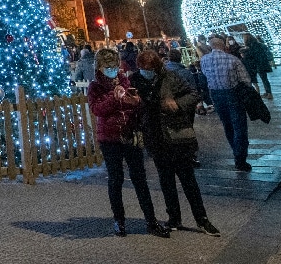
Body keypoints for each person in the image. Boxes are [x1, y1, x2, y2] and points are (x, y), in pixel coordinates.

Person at [131, 50, 220, 236]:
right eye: (143, 68)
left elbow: (193, 93)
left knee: (188, 179)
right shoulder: (135, 81)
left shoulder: (170, 77)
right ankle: (174, 217)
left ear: (156, 67)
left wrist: (177, 103)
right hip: (155, 137)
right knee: (166, 180)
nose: (146, 71)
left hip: (176, 134)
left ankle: (201, 218)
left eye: (150, 68)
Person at [89, 47, 169, 238]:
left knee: (140, 178)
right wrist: (113, 98)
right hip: (109, 137)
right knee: (115, 179)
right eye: (108, 67)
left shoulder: (125, 80)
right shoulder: (95, 86)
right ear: (99, 67)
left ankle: (151, 220)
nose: (112, 70)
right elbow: (97, 109)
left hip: (129, 134)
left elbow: (136, 105)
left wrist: (135, 101)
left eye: (114, 66)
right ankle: (119, 220)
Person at [200, 34, 253, 171]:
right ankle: (240, 157)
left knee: (227, 125)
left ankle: (236, 150)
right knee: (239, 126)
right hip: (232, 93)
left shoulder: (204, 60)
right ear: (223, 45)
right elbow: (246, 80)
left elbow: (205, 75)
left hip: (215, 95)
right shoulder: (232, 59)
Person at [240, 33, 273, 98]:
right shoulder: (258, 44)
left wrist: (245, 54)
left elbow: (252, 55)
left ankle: (269, 93)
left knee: (262, 79)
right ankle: (268, 92)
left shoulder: (250, 46)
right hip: (262, 63)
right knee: (264, 78)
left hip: (257, 64)